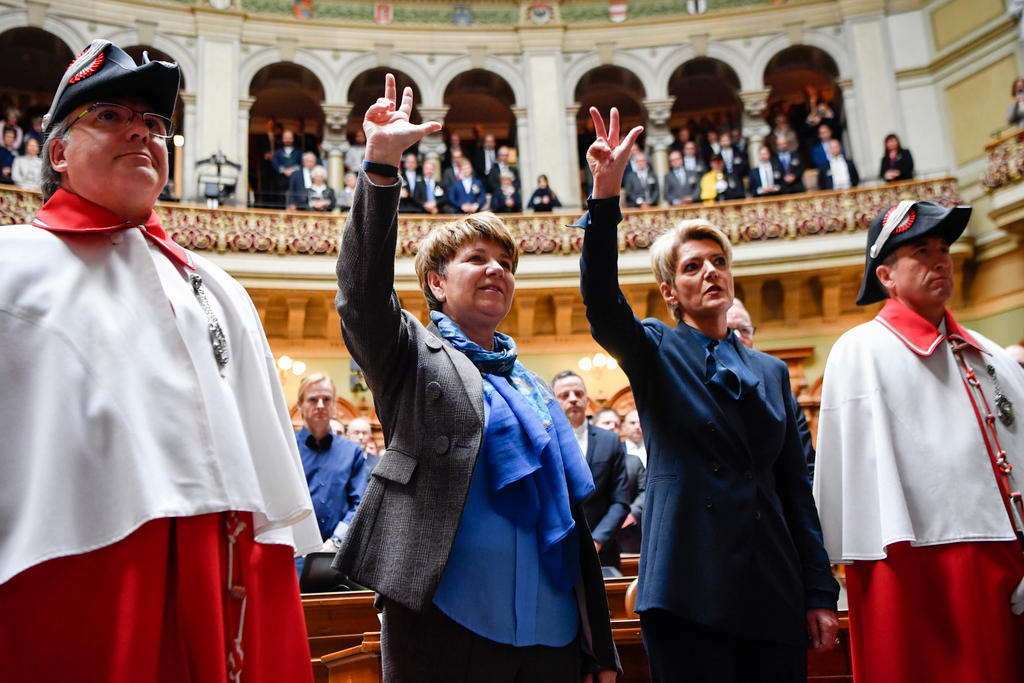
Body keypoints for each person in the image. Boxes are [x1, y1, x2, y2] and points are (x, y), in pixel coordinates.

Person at [0, 39, 321, 682]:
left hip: (223, 575)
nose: (141, 134)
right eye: (112, 116)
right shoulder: (11, 266)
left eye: (154, 125)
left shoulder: (219, 286)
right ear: (57, 151)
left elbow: (265, 484)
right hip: (73, 578)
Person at [332, 74, 619, 682]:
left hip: (553, 633)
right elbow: (360, 297)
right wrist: (382, 165)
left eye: (506, 264)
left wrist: (598, 647)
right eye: (476, 260)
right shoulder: (412, 355)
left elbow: (571, 524)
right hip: (445, 626)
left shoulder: (532, 389)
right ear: (436, 283)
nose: (496, 271)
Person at [577, 106, 838, 682]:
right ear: (669, 291)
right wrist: (604, 197)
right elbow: (600, 300)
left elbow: (796, 489)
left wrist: (819, 589)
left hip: (771, 581)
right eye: (693, 266)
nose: (711, 272)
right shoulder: (655, 350)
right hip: (687, 582)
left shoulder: (770, 372)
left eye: (719, 262)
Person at [814, 200, 1024, 683]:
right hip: (914, 570)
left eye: (944, 249)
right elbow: (854, 489)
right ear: (886, 276)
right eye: (922, 251)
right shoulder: (860, 351)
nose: (941, 260)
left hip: (1007, 562)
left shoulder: (992, 354)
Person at [552, 372, 632, 571]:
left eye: (578, 393)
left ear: (587, 399)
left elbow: (621, 500)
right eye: (564, 395)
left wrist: (597, 540)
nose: (573, 399)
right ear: (553, 401)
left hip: (603, 550)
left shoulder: (610, 441)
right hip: (558, 547)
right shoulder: (545, 440)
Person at [295, 374, 367, 555]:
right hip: (294, 553)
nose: (320, 405)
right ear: (300, 405)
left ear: (334, 405)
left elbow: (359, 504)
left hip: (338, 555)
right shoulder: (287, 449)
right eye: (313, 399)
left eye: (326, 399)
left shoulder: (352, 452)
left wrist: (335, 541)